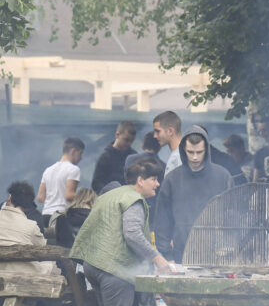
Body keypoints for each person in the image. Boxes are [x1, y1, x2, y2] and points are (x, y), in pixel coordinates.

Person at [70, 159, 170, 306]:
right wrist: (157, 258)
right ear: (140, 180)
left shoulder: (108, 196)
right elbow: (132, 234)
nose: (157, 184)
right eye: (154, 179)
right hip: (113, 268)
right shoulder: (133, 200)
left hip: (92, 264)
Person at [154, 126, 231, 263]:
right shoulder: (172, 179)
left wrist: (231, 250)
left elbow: (233, 215)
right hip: (181, 255)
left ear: (206, 150)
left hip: (219, 256)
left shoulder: (223, 177)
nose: (195, 157)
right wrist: (167, 256)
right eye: (190, 152)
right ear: (183, 149)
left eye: (199, 152)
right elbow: (162, 221)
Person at [37, 137, 84, 227]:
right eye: (80, 153)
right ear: (73, 151)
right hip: (60, 217)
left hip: (46, 217)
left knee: (51, 241)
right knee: (66, 241)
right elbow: (69, 196)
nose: (81, 158)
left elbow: (40, 198)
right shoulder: (73, 169)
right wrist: (86, 198)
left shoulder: (48, 170)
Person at [91, 121, 137, 194]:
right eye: (126, 140)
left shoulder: (134, 156)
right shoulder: (105, 157)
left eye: (131, 141)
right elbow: (96, 183)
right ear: (117, 135)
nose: (129, 144)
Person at [152, 111, 183, 175]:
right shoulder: (179, 154)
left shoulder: (180, 156)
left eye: (158, 131)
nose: (154, 136)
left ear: (170, 131)